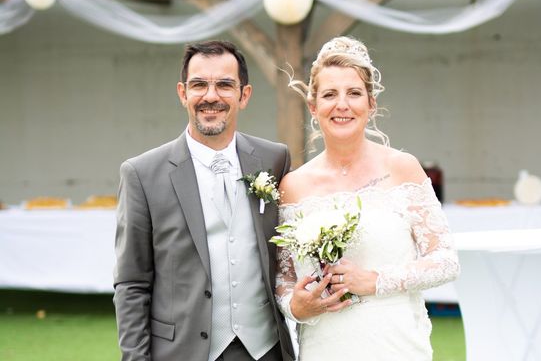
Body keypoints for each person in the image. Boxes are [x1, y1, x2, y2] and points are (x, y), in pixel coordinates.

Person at [275, 36, 460, 360]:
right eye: (330, 94)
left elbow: (445, 260)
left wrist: (374, 280)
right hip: (324, 347)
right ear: (313, 107)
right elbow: (283, 279)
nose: (342, 104)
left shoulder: (403, 168)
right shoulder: (293, 186)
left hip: (397, 345)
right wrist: (295, 305)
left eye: (354, 93)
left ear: (371, 104)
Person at [114, 40, 295, 361]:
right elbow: (131, 283)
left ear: (244, 95)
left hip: (265, 349)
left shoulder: (274, 159)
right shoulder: (142, 174)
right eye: (199, 84)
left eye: (225, 85)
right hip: (182, 351)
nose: (211, 96)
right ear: (183, 93)